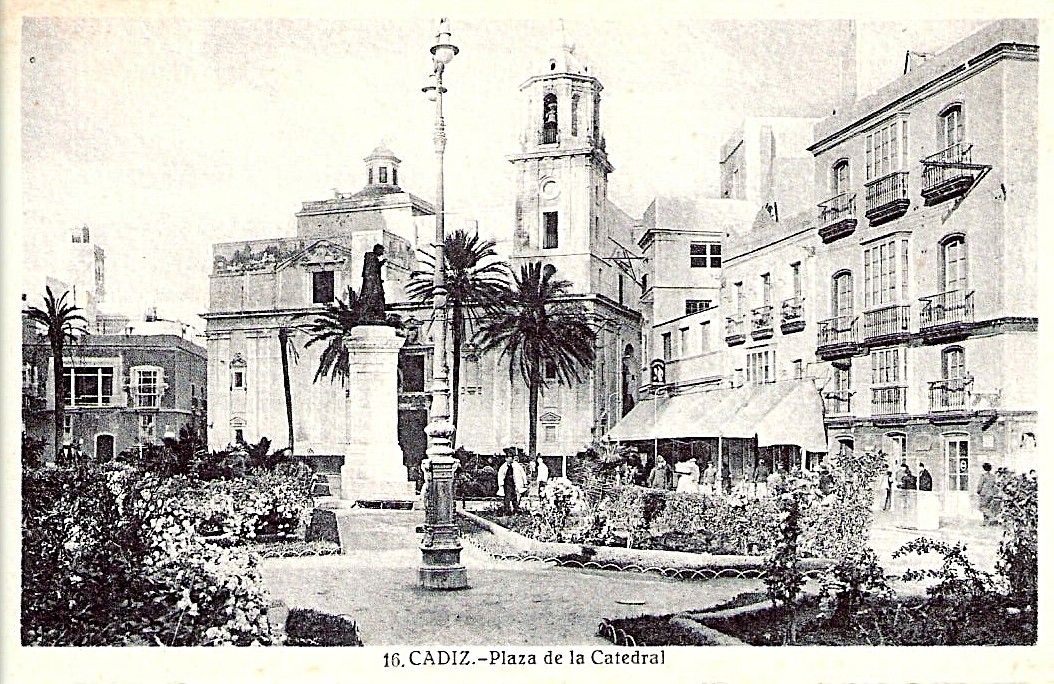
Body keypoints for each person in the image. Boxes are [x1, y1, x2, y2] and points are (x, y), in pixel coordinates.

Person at [360, 243, 387, 323]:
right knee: (372, 297)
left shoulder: (373, 258)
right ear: (377, 249)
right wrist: (373, 281)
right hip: (372, 283)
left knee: (378, 297)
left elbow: (375, 268)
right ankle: (369, 314)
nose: (382, 252)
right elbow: (369, 271)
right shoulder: (370, 257)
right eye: (381, 250)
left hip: (374, 282)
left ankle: (376, 314)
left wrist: (381, 263)